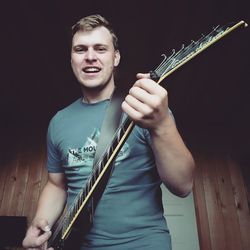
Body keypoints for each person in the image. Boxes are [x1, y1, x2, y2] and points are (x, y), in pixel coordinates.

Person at [22, 14, 195, 250]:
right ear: (71, 58)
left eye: (100, 49)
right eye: (80, 49)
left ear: (116, 57)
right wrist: (39, 224)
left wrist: (162, 123)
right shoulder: (58, 122)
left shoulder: (146, 107)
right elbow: (57, 184)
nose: (90, 57)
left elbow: (183, 185)